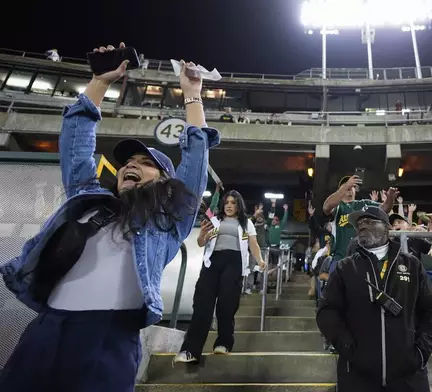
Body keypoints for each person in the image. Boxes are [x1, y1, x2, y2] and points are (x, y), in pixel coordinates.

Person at [0, 43, 218, 391]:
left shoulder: (167, 218)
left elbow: (195, 158)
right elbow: (77, 140)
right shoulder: (87, 199)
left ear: (165, 184)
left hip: (108, 339)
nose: (132, 165)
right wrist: (100, 82)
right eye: (129, 162)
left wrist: (192, 95)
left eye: (148, 164)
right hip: (46, 330)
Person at [316, 206, 432, 391]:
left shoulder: (412, 265)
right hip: (357, 375)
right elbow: (327, 312)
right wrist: (349, 347)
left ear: (387, 228)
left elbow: (431, 312)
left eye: (369, 222)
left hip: (408, 376)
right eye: (359, 224)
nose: (362, 227)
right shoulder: (345, 268)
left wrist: (420, 353)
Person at [174, 190, 266, 363]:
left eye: (233, 203)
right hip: (212, 262)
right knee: (202, 305)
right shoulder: (215, 220)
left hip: (234, 262)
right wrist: (202, 235)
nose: (229, 206)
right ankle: (190, 351)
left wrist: (260, 260)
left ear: (239, 205)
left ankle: (223, 343)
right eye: (227, 203)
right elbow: (201, 243)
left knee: (226, 303)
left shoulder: (246, 223)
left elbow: (253, 244)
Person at [322, 175, 397, 272]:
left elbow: (384, 209)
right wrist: (346, 186)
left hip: (363, 260)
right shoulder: (338, 206)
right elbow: (326, 207)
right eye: (345, 186)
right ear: (340, 190)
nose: (349, 188)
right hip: (340, 258)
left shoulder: (364, 204)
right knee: (335, 286)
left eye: (352, 186)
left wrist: (390, 198)